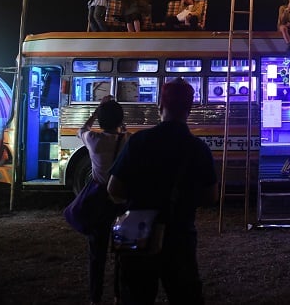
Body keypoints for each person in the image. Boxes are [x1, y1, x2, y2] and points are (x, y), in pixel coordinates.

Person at [107, 77, 218, 305]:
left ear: (160, 106)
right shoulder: (197, 149)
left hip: (137, 234)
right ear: (189, 109)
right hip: (179, 235)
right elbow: (211, 196)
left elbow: (114, 188)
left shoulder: (139, 141)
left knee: (136, 296)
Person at [77, 95, 130, 305]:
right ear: (120, 120)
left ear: (100, 121)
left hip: (99, 204)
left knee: (96, 255)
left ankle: (95, 299)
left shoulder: (93, 140)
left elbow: (81, 129)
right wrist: (120, 123)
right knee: (122, 254)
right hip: (121, 203)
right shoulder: (127, 140)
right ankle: (118, 296)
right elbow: (124, 131)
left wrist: (96, 111)